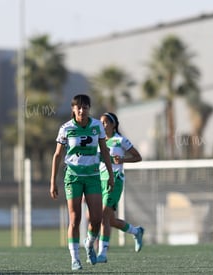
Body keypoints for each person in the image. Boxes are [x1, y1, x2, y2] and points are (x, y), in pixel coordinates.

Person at [50, 94, 114, 271]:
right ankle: (75, 259)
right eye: (78, 107)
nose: (81, 110)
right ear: (73, 109)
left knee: (97, 218)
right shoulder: (66, 128)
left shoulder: (97, 126)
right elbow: (57, 155)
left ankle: (90, 243)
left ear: (89, 109)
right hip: (73, 177)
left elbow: (104, 151)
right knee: (75, 219)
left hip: (93, 176)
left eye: (85, 107)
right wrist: (53, 182)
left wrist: (110, 174)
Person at [96, 112, 144, 263]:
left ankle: (102, 253)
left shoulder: (120, 140)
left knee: (104, 216)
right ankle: (136, 231)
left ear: (113, 125)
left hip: (115, 181)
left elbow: (138, 157)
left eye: (105, 123)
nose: (102, 125)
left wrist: (122, 159)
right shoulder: (99, 141)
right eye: (100, 123)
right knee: (110, 220)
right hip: (100, 181)